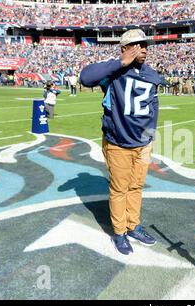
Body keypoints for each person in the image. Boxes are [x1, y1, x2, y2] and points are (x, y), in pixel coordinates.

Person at [79, 29, 160, 255]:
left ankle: (133, 226)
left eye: (145, 45)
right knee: (119, 189)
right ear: (124, 48)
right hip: (118, 143)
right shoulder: (113, 72)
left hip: (142, 144)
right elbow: (85, 78)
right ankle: (120, 232)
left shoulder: (151, 74)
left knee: (136, 187)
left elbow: (153, 106)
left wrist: (150, 134)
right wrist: (120, 63)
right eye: (137, 45)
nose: (143, 48)